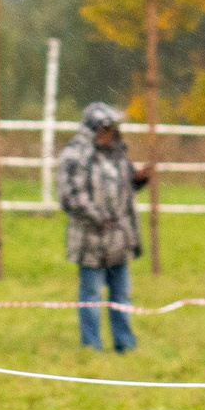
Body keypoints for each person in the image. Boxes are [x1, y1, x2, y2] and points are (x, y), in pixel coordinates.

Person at [55, 102, 151, 351]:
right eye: (106, 129)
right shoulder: (73, 156)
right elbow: (69, 197)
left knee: (121, 296)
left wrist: (139, 179)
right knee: (91, 295)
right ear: (93, 130)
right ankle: (91, 345)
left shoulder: (118, 155)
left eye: (113, 129)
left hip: (120, 240)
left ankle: (125, 342)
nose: (110, 134)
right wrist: (98, 217)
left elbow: (125, 188)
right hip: (90, 241)